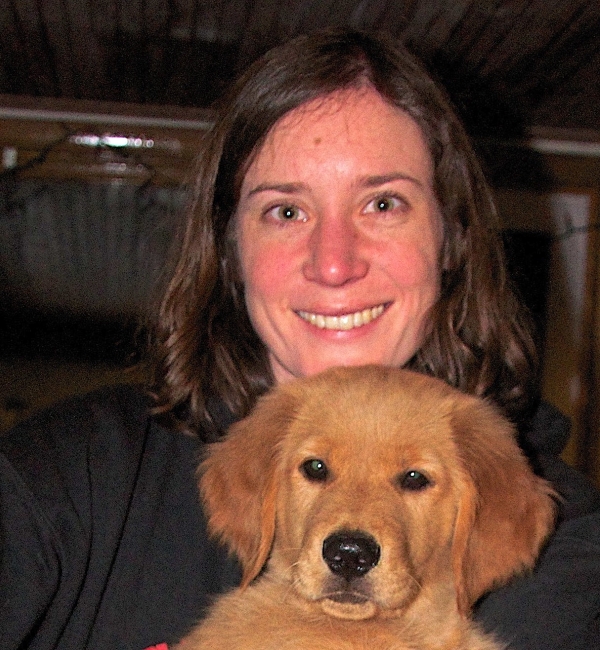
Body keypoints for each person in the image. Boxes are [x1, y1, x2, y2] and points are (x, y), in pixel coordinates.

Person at [1, 29, 599, 650]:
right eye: (286, 212)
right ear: (230, 249)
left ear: (452, 238)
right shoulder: (74, 472)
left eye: (383, 204)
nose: (334, 264)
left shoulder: (565, 549)